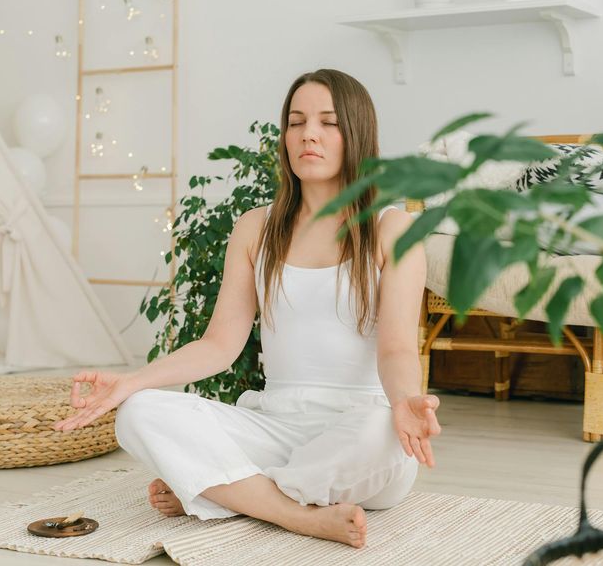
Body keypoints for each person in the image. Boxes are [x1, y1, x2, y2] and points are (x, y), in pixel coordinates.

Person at [53, 69, 440, 549]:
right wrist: (130, 382)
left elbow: (398, 347)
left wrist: (405, 403)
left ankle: (228, 490)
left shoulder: (392, 227)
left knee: (379, 432)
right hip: (275, 425)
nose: (308, 135)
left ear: (357, 133)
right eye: (296, 122)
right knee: (140, 412)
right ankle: (295, 514)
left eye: (328, 123)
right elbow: (219, 345)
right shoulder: (257, 227)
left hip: (356, 434)